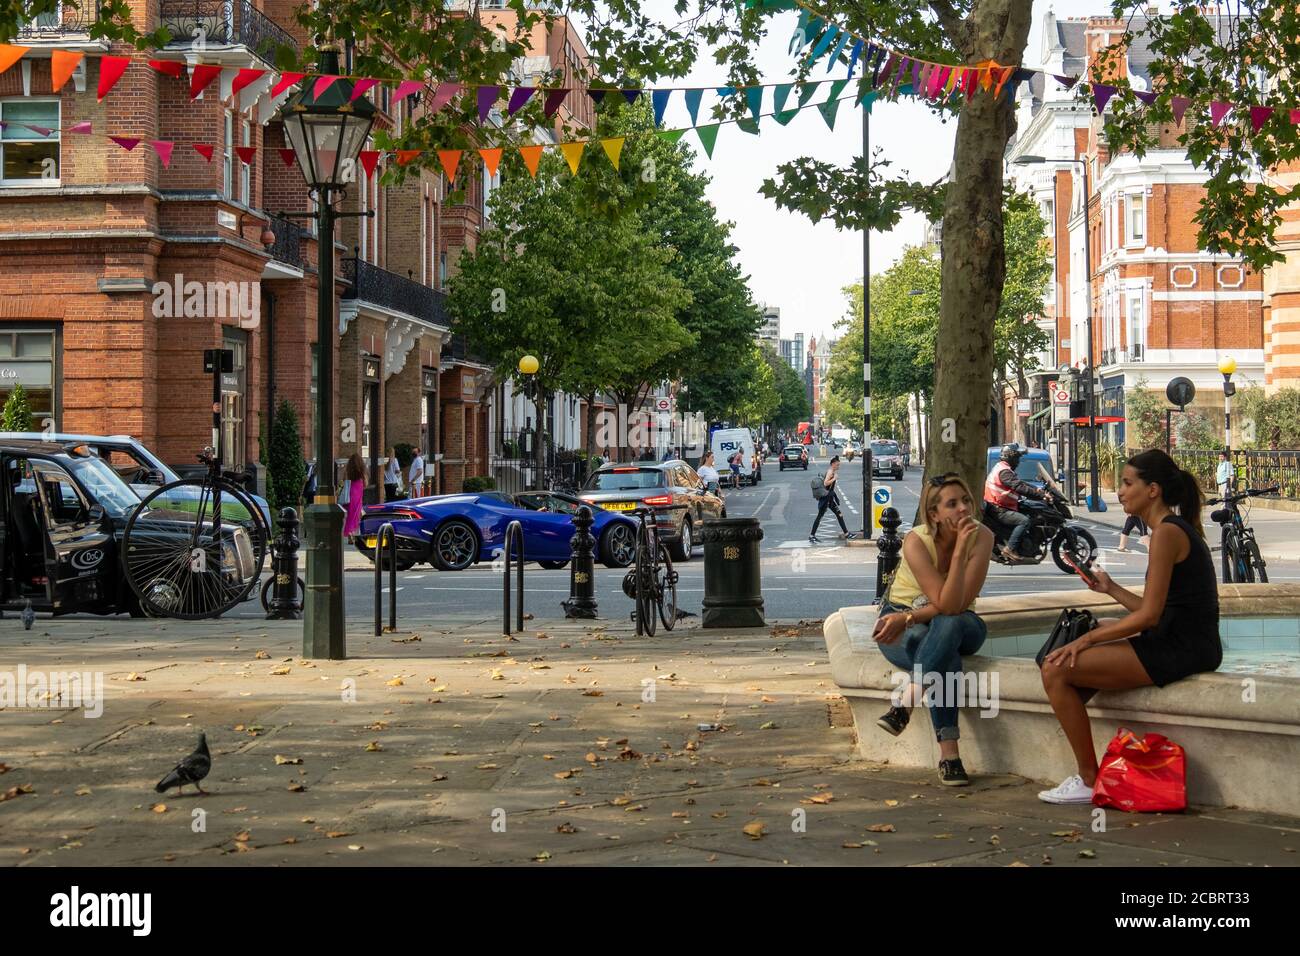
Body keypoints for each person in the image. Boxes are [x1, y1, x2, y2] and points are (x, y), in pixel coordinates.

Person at [1037, 449, 1220, 804]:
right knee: (1092, 638)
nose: (1120, 491)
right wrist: (1111, 589)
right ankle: (1081, 730)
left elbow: (1150, 617)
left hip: (1183, 649)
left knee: (1055, 669)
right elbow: (1160, 609)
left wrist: (1085, 641)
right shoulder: (1167, 530)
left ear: (1153, 490)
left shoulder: (1167, 533)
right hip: (1185, 640)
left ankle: (1089, 779)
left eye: (1127, 483)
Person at [873, 473, 994, 786]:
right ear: (933, 514)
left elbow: (955, 605)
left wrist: (960, 551)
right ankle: (950, 756)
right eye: (952, 504)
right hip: (898, 619)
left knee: (949, 624)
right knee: (943, 657)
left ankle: (907, 700)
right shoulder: (916, 540)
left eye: (966, 500)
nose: (963, 509)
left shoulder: (983, 537)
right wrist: (906, 619)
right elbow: (943, 601)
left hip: (962, 623)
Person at [983, 442, 1051, 563]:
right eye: (1017, 458)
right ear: (1011, 457)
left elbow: (1020, 483)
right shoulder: (1004, 471)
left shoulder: (1003, 468)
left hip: (999, 506)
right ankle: (1010, 549)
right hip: (999, 508)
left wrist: (1037, 489)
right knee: (1024, 521)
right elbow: (1019, 487)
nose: (1018, 461)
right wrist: (1041, 495)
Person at [809, 455, 857, 542]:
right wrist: (834, 478)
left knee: (839, 514)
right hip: (826, 498)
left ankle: (846, 533)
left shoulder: (832, 471)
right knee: (820, 516)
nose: (839, 466)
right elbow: (826, 483)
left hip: (829, 498)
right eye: (837, 464)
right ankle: (812, 535)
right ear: (833, 464)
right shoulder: (830, 472)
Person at [342, 452, 367, 539]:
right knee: (355, 513)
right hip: (358, 490)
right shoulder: (361, 472)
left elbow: (343, 480)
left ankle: (349, 531)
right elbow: (365, 483)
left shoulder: (348, 470)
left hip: (350, 491)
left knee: (349, 513)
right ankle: (352, 531)